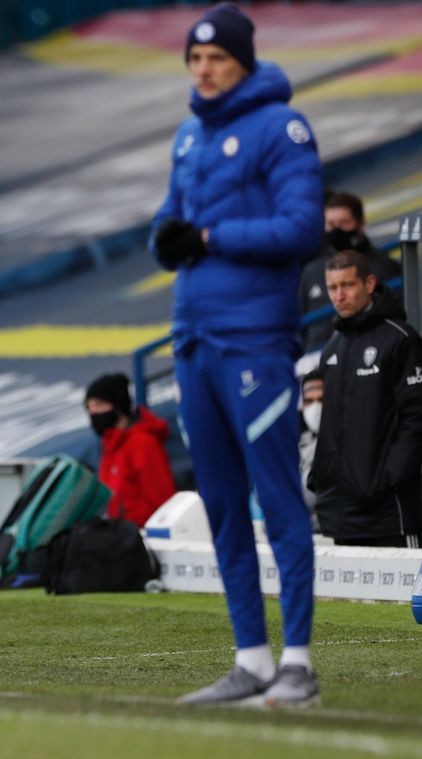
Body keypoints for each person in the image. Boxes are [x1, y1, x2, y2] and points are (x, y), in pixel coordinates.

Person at [150, 3, 323, 707]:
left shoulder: (282, 128)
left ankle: (299, 665)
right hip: (194, 337)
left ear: (244, 60)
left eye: (216, 59)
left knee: (279, 498)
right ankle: (251, 658)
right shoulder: (189, 137)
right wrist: (164, 237)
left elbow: (301, 226)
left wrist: (211, 238)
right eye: (195, 60)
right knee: (221, 502)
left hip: (253, 337)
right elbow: (172, 218)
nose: (204, 70)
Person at [309, 251, 422, 548]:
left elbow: (416, 415)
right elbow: (329, 421)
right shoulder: (332, 346)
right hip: (341, 508)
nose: (339, 296)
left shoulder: (400, 339)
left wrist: (392, 477)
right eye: (332, 288)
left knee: (404, 594)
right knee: (351, 595)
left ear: (369, 284)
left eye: (348, 285)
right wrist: (321, 476)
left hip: (389, 509)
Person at [300, 192, 400, 348]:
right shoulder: (311, 271)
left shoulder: (385, 267)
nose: (337, 230)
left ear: (361, 223)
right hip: (316, 358)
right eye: (331, 225)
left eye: (344, 223)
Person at [83, 373, 176, 529]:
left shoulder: (144, 443)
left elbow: (162, 505)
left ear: (118, 406)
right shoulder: (109, 445)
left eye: (99, 405)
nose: (93, 413)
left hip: (141, 539)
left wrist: (123, 524)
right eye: (89, 407)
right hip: (121, 538)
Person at [298, 369, 323, 513]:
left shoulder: (348, 446)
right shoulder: (296, 443)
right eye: (309, 401)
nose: (315, 407)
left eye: (321, 400)